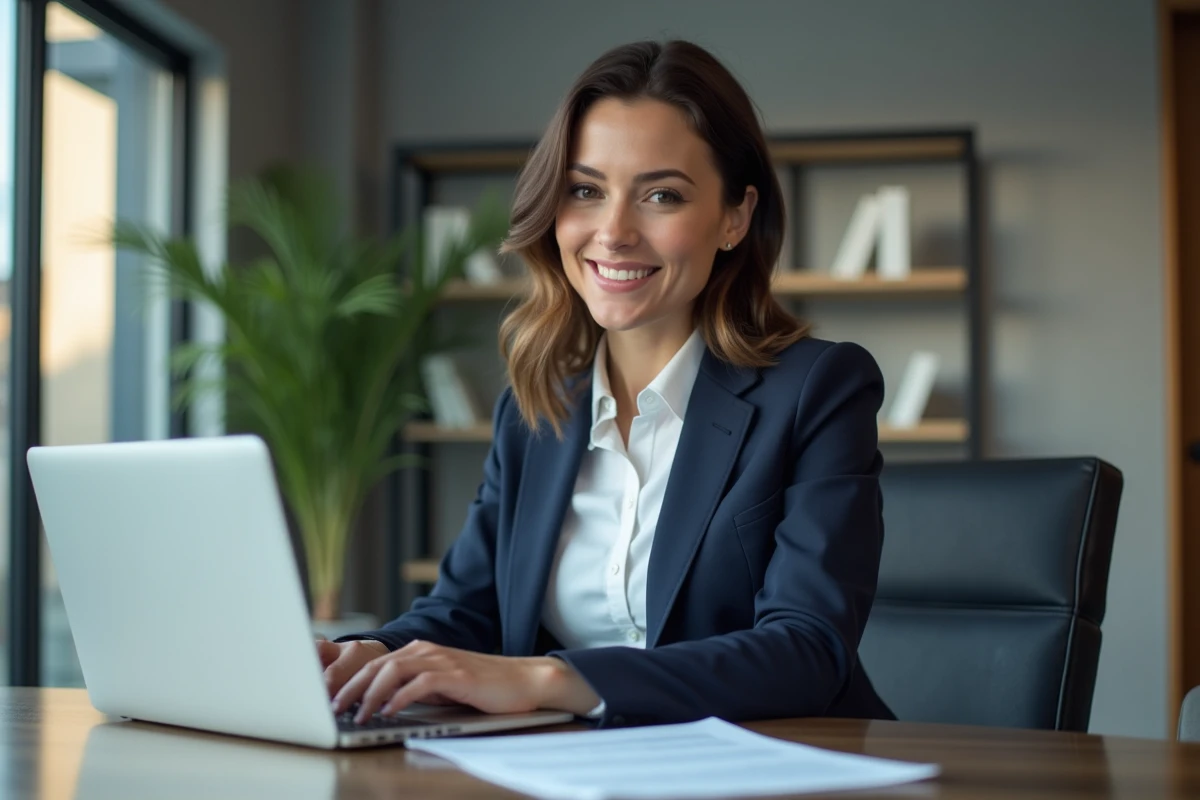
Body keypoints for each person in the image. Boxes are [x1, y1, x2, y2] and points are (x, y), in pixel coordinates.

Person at [320, 39, 895, 728]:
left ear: (735, 216)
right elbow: (465, 612)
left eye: (661, 195)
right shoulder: (535, 408)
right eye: (585, 191)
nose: (613, 232)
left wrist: (547, 679)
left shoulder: (817, 391)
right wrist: (362, 655)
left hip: (780, 769)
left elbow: (806, 650)